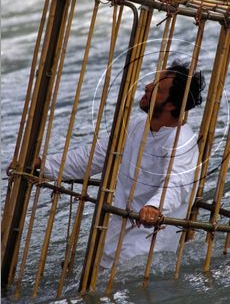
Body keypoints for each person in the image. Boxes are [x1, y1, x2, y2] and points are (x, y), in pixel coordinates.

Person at [33, 61, 205, 266]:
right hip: (115, 234)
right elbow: (94, 156)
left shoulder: (182, 140)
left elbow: (177, 183)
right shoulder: (135, 125)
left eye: (157, 89)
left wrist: (154, 207)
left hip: (148, 244)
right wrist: (43, 165)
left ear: (171, 105)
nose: (147, 87)